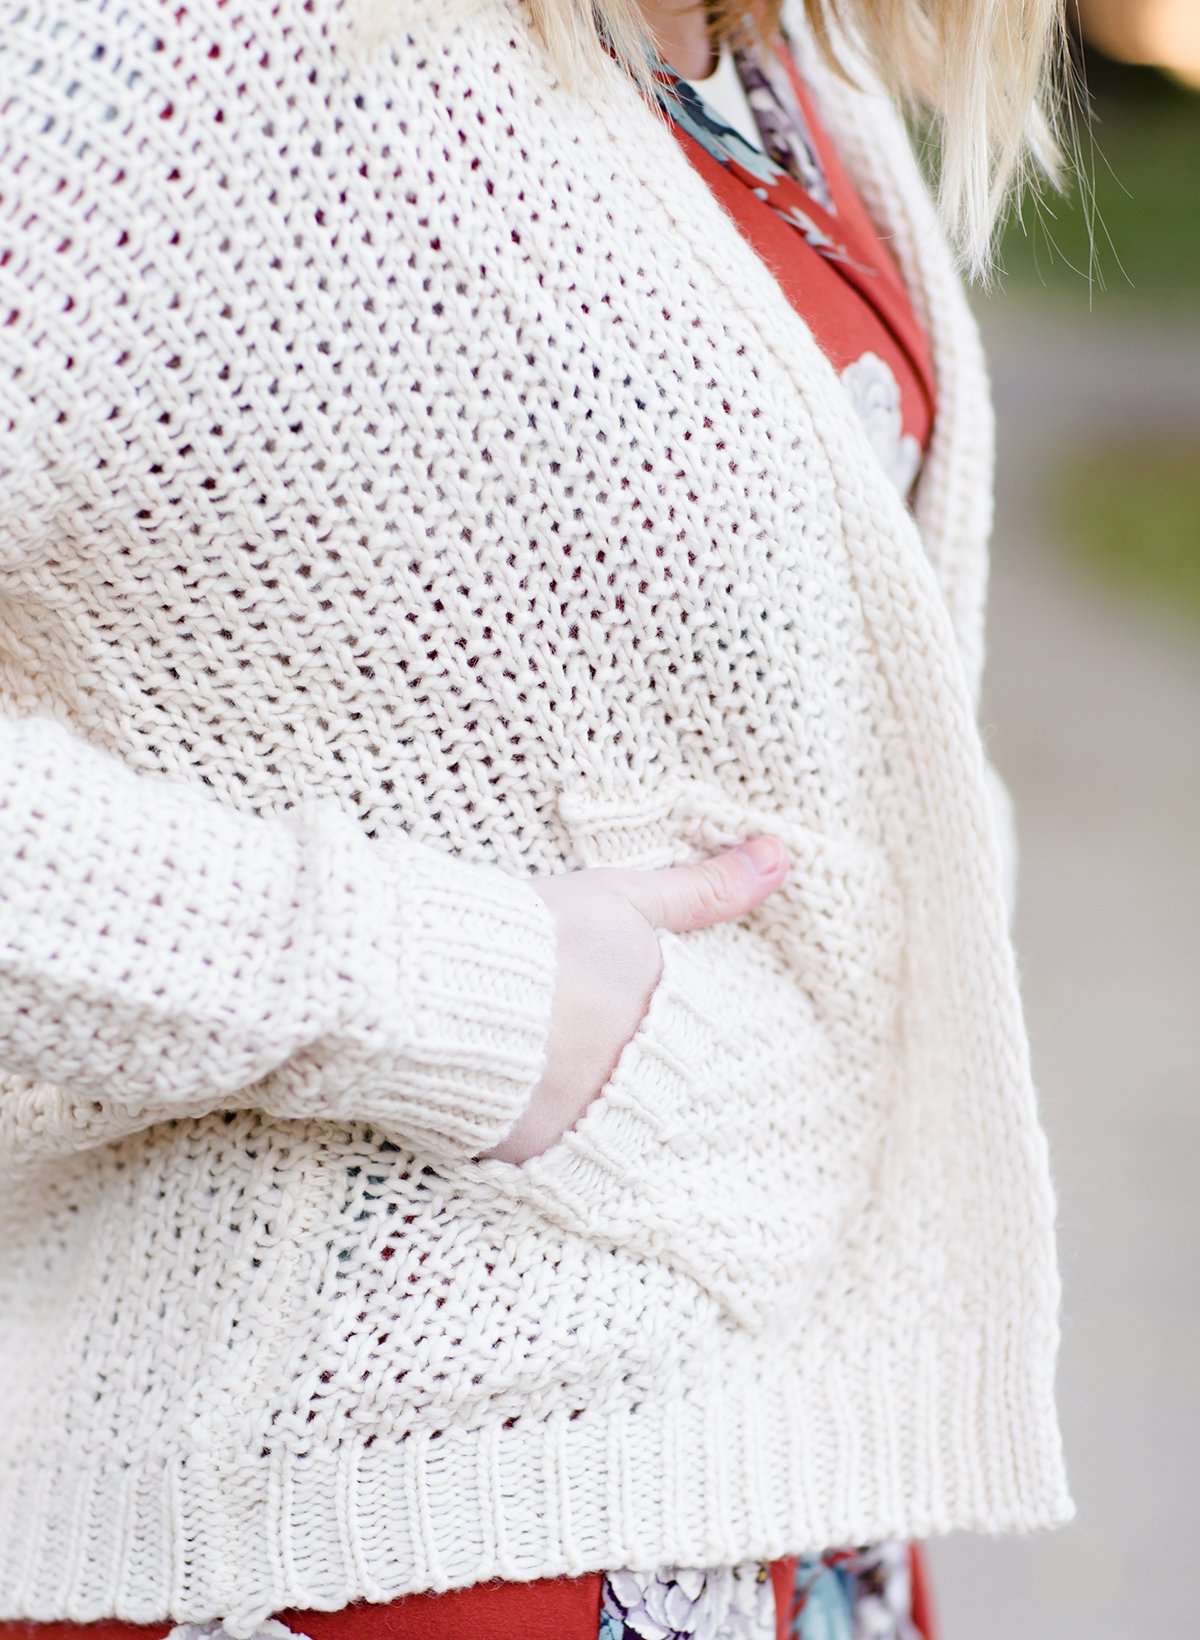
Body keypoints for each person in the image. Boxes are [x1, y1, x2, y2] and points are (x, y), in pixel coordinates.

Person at [0, 0, 1076, 1636]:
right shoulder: (189, 51)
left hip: (778, 1462)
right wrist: (461, 996)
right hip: (379, 1513)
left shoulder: (785, 67)